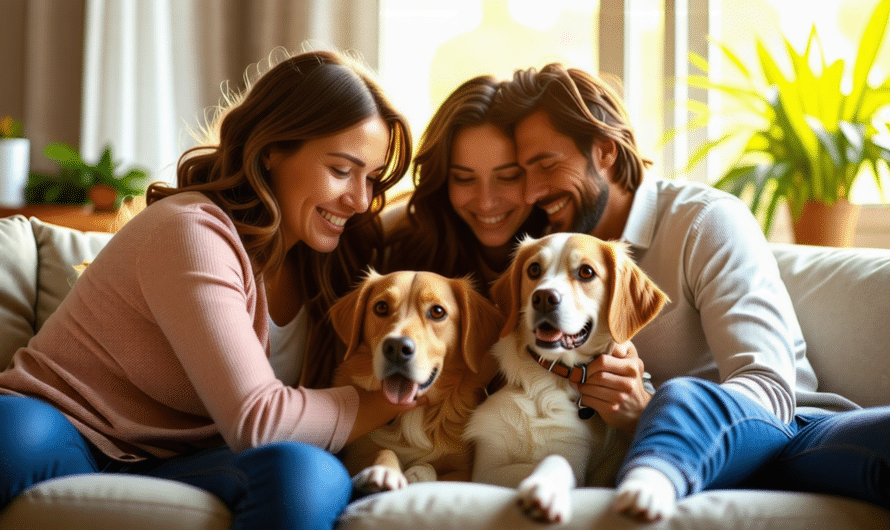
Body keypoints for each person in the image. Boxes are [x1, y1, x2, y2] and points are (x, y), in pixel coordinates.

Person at [0, 49, 419, 530]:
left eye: (372, 178)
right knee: (13, 434)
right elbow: (260, 420)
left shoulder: (333, 259)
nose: (360, 199)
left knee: (307, 476)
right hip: (65, 430)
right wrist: (397, 395)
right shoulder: (192, 232)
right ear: (272, 150)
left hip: (190, 460)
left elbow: (422, 225)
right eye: (342, 171)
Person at [488, 62, 890, 521]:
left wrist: (654, 413)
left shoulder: (702, 221)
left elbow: (771, 387)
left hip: (786, 437)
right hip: (652, 456)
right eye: (522, 172)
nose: (532, 190)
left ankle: (656, 470)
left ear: (603, 149)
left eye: (547, 165)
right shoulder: (543, 256)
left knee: (684, 394)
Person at [382, 74, 547, 289]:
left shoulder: (571, 247)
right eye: (464, 178)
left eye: (508, 177)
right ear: (443, 180)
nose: (486, 202)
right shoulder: (401, 244)